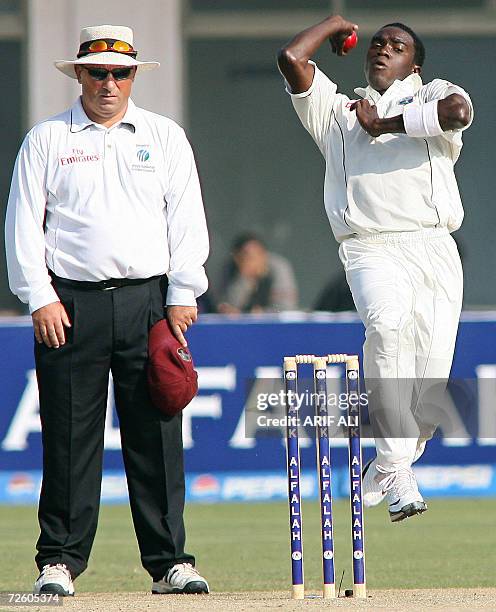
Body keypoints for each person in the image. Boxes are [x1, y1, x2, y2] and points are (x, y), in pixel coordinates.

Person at [5, 25, 210, 595]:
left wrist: (183, 291)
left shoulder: (163, 136)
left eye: (120, 73)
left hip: (149, 300)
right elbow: (23, 222)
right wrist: (39, 295)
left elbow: (186, 218)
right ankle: (59, 562)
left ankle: (170, 562)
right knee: (70, 438)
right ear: (79, 75)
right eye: (97, 73)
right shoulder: (47, 138)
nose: (109, 84)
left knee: (158, 434)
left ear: (134, 76)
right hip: (71, 303)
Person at [278, 16, 472, 522]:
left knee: (428, 395)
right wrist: (333, 24)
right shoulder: (339, 112)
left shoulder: (435, 94)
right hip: (370, 246)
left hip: (433, 246)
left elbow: (459, 111)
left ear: (416, 63)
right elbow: (292, 60)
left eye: (398, 45)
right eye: (378, 43)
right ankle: (398, 470)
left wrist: (384, 126)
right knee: (386, 328)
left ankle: (389, 464)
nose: (384, 49)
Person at [217, 233, 298, 313]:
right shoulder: (229, 268)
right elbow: (226, 307)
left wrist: (262, 313)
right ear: (236, 258)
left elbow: (286, 308)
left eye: (257, 254)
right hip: (241, 324)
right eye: (245, 256)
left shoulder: (279, 267)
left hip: (272, 323)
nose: (253, 259)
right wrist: (245, 277)